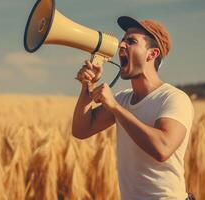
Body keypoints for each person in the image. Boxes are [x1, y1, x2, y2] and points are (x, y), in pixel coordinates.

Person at [72, 16, 195, 200]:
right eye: (123, 41)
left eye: (131, 41)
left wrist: (114, 107)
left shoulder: (174, 98)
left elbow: (162, 148)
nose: (121, 46)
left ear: (152, 54)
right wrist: (86, 87)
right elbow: (81, 130)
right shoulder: (123, 99)